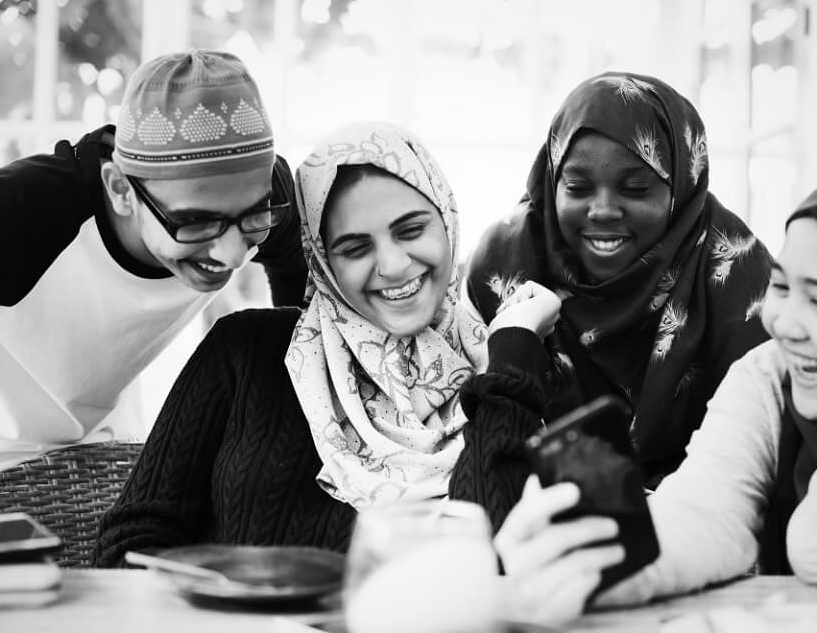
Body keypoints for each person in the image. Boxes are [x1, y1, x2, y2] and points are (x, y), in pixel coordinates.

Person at [93, 121, 559, 566]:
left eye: (411, 230)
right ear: (322, 260)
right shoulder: (245, 351)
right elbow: (129, 546)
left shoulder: (495, 373)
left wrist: (514, 349)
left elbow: (495, 558)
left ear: (448, 220)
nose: (394, 265)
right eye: (355, 249)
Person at [493, 160, 817, 622]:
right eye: (781, 285)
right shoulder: (773, 374)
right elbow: (707, 510)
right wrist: (605, 562)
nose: (785, 324)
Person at [0, 50, 307, 482]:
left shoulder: (270, 198)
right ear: (121, 189)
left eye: (251, 216)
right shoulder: (14, 213)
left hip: (102, 454)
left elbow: (297, 291)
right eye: (197, 222)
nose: (232, 255)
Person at [460, 72, 774, 495]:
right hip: (534, 514)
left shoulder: (733, 268)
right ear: (552, 183)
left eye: (636, 188)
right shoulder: (505, 264)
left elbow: (759, 450)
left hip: (705, 515)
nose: (603, 210)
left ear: (681, 188)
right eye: (577, 187)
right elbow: (486, 454)